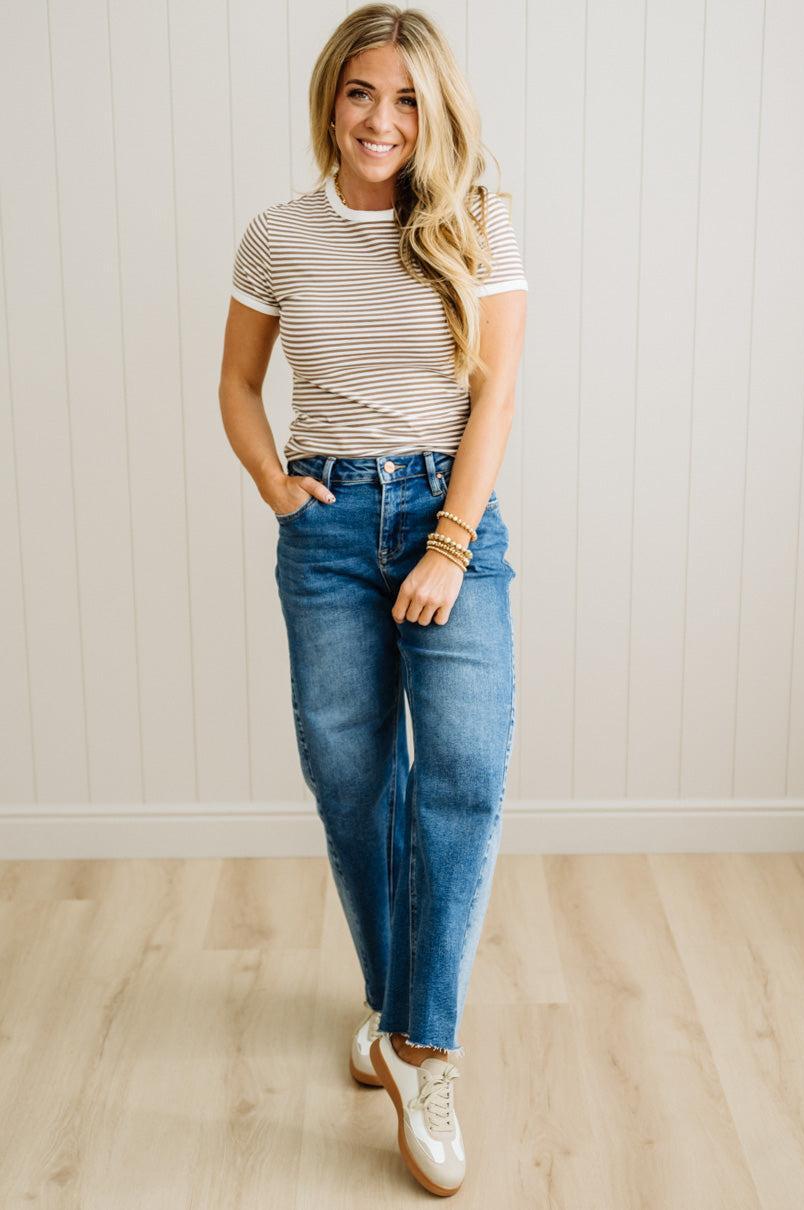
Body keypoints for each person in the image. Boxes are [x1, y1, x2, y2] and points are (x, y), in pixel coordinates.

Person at [219, 4, 527, 1197]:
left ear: (432, 109)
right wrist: (275, 486)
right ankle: (397, 1006)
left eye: (405, 98)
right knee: (352, 782)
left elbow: (495, 399)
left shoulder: (479, 221)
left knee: (461, 775)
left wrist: (450, 540)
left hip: (451, 521)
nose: (381, 120)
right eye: (361, 94)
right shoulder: (276, 238)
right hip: (329, 522)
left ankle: (421, 1043)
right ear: (329, 100)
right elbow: (239, 385)